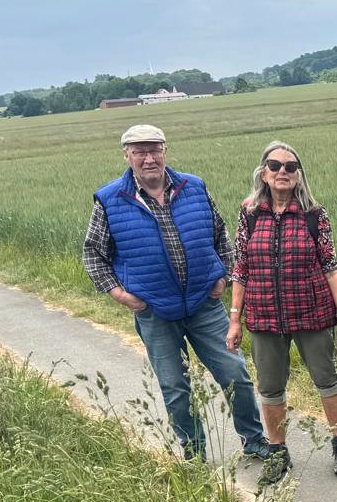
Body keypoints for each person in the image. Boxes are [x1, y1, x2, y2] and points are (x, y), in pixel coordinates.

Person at [81, 124, 276, 462]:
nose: (148, 157)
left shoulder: (193, 186)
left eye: (154, 149)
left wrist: (224, 276)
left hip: (205, 303)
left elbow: (220, 234)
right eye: (139, 151)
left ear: (165, 151)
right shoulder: (110, 199)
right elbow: (93, 253)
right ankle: (195, 451)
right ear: (126, 155)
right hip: (155, 311)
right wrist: (121, 296)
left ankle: (254, 439)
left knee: (236, 375)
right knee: (175, 389)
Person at [226, 140, 337, 480]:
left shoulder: (315, 214)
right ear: (264, 173)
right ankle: (278, 451)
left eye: (290, 167)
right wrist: (235, 319)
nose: (282, 172)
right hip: (264, 315)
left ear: (299, 175)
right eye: (275, 166)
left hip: (312, 312)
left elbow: (331, 266)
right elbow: (241, 266)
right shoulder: (250, 212)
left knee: (326, 379)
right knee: (270, 387)